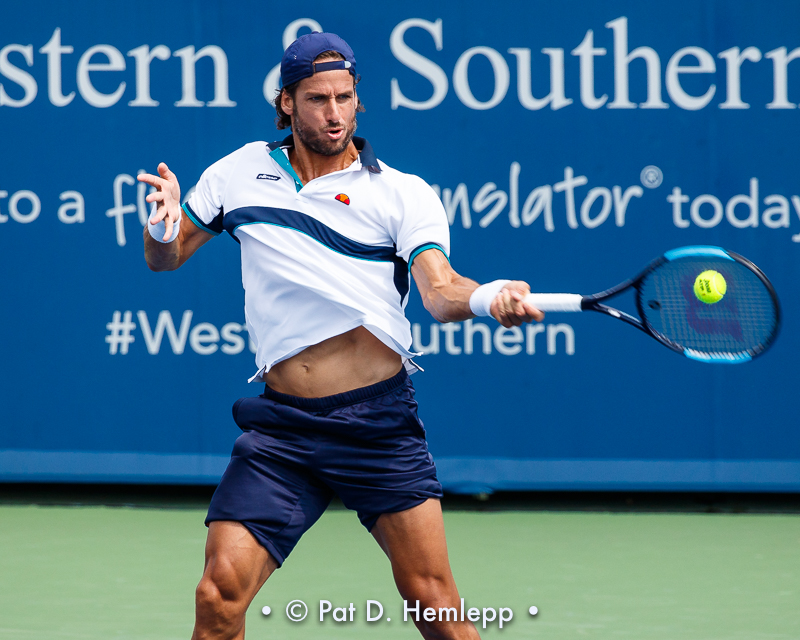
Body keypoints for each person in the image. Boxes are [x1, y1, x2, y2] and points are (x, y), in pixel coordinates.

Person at [139, 31, 543, 640]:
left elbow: (440, 291)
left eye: (345, 98)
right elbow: (163, 260)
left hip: (374, 426)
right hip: (283, 429)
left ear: (358, 100)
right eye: (318, 99)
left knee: (434, 604)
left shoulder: (402, 193)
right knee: (217, 597)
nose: (334, 114)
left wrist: (489, 299)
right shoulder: (238, 172)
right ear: (286, 103)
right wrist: (162, 225)